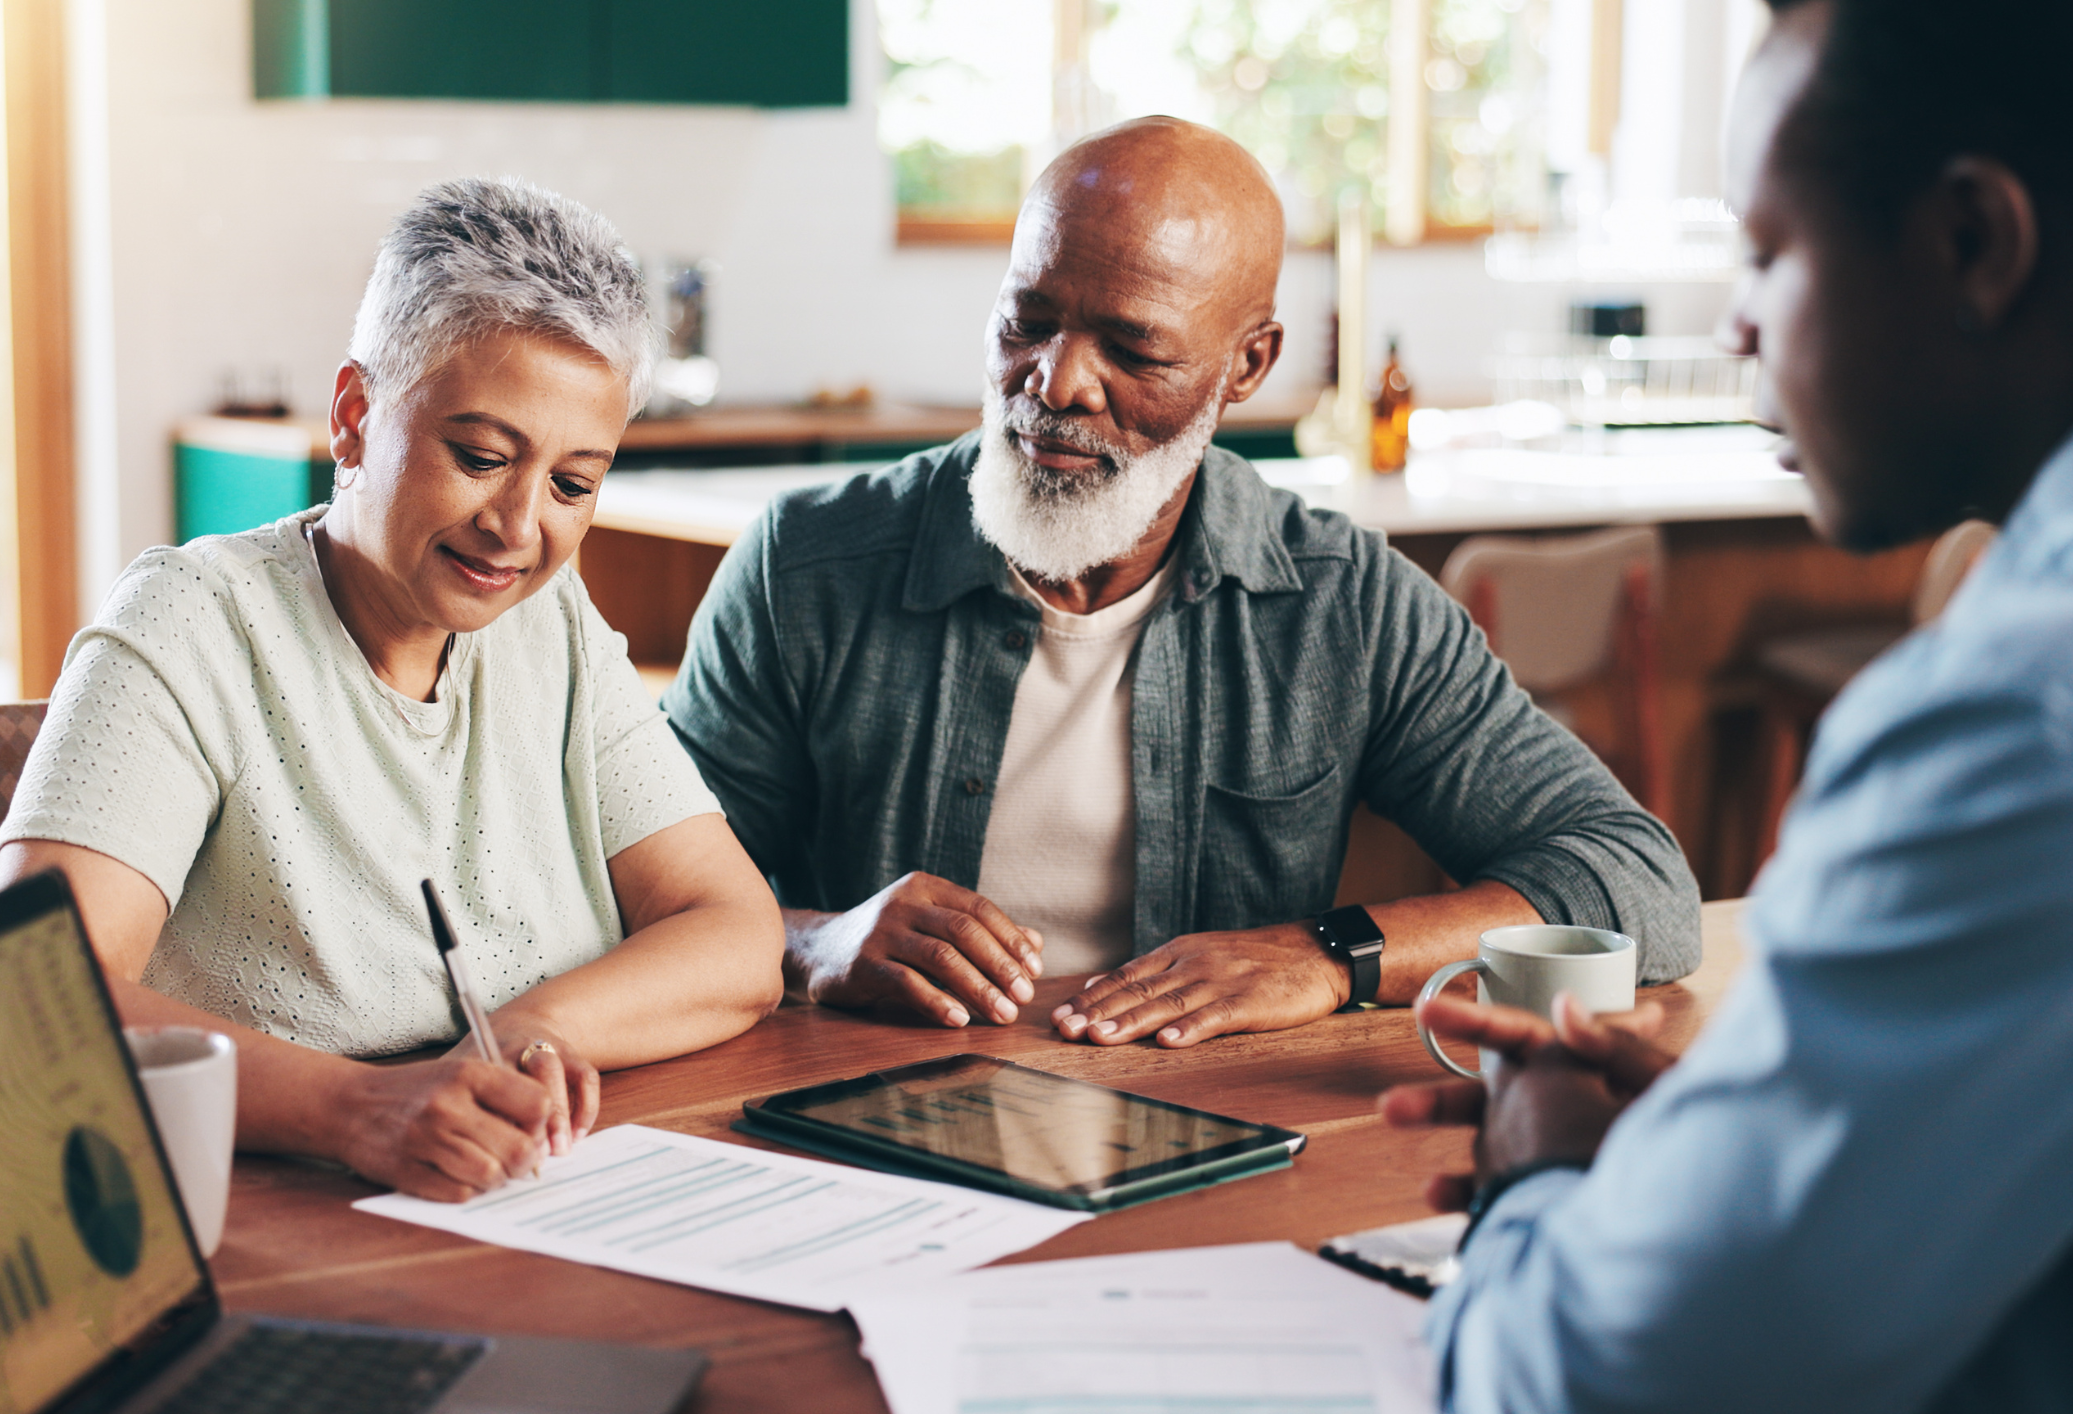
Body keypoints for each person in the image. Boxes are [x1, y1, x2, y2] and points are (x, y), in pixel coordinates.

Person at [1384, 0, 2073, 1408]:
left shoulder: (2007, 724)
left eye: (1765, 249)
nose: (1735, 318)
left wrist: (1542, 1177)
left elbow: (1589, 1376)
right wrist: (1730, 1143)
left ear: (1972, 244)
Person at [664, 117, 1700, 1048]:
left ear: (1246, 367)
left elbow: (1637, 882)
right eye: (1027, 320)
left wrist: (1328, 953)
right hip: (865, 1117)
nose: (1057, 382)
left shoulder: (1342, 601)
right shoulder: (806, 566)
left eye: (1131, 348)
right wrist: (815, 940)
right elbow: (622, 888)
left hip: (1200, 1124)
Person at [0, 179, 785, 1202]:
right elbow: (39, 993)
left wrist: (521, 1036)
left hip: (523, 1182)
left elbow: (736, 933)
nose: (517, 524)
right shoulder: (188, 622)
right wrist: (357, 1109)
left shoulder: (553, 626)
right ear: (357, 415)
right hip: (282, 1206)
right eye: (481, 456)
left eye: (572, 483)